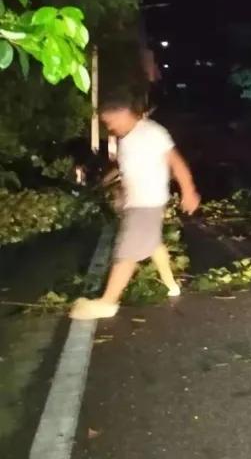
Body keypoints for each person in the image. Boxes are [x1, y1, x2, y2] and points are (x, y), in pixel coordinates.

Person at [69, 98, 200, 320]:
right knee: (153, 243)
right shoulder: (127, 139)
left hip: (146, 202)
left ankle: (107, 303)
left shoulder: (151, 133)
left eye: (110, 121)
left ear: (124, 113)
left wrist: (188, 191)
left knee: (126, 252)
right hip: (139, 202)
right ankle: (171, 285)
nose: (109, 127)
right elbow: (125, 168)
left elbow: (176, 162)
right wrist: (107, 183)